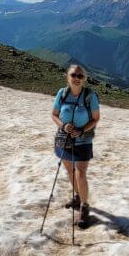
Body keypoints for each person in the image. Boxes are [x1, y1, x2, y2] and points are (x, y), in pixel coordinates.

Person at [51, 64, 100, 227]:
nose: (77, 78)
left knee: (80, 173)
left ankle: (84, 207)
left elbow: (95, 119)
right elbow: (54, 115)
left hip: (83, 141)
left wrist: (81, 130)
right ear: (68, 77)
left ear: (84, 78)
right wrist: (63, 126)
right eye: (74, 75)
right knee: (70, 171)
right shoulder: (62, 93)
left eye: (80, 76)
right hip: (64, 139)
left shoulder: (90, 96)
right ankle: (78, 197)